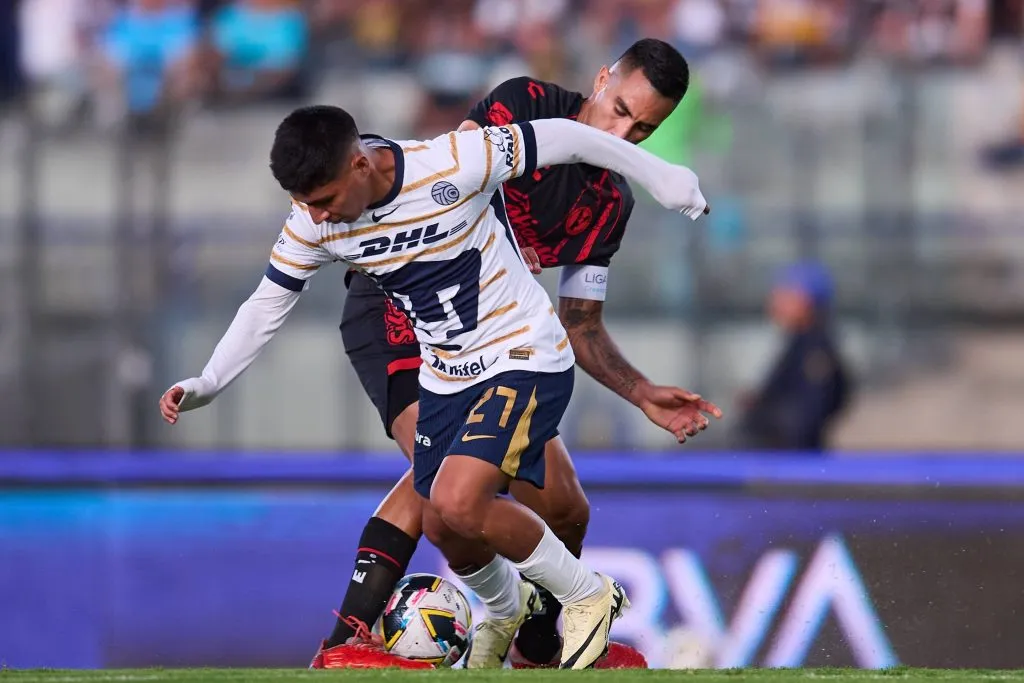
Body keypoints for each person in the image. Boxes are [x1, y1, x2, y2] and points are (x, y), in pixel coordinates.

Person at [159, 104, 709, 668]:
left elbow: (567, 135)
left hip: (521, 353)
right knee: (443, 524)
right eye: (306, 203)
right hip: (446, 376)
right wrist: (209, 381)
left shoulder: (451, 162)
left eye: (324, 199)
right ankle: (507, 609)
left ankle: (587, 593)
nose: (318, 216)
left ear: (360, 164)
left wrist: (662, 176)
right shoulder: (311, 221)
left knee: (460, 500)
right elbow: (266, 304)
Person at [330, 38, 720, 669]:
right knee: (441, 479)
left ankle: (535, 649)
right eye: (620, 110)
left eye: (644, 129)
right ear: (601, 79)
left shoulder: (609, 206)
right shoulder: (526, 102)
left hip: (488, 343)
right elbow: (445, 182)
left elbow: (581, 325)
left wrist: (641, 391)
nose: (623, 134)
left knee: (566, 507)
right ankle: (344, 642)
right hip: (397, 310)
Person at [736, 261, 851, 451]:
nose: (776, 300)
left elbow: (806, 420)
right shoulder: (797, 344)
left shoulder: (814, 351)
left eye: (786, 294)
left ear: (807, 301)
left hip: (791, 461)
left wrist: (762, 415)